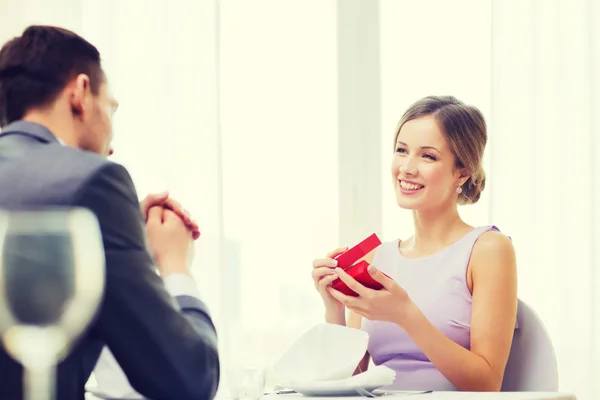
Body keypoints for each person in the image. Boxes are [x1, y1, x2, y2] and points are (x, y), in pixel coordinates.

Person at [0, 25, 219, 400]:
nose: (112, 146)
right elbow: (188, 379)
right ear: (81, 93)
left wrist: (115, 233)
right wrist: (175, 264)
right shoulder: (95, 182)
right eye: (111, 108)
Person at [311, 96, 518, 391]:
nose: (406, 168)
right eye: (401, 151)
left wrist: (406, 315)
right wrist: (334, 310)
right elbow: (348, 383)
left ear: (462, 171)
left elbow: (486, 384)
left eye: (428, 156)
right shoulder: (375, 259)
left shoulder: (488, 249)